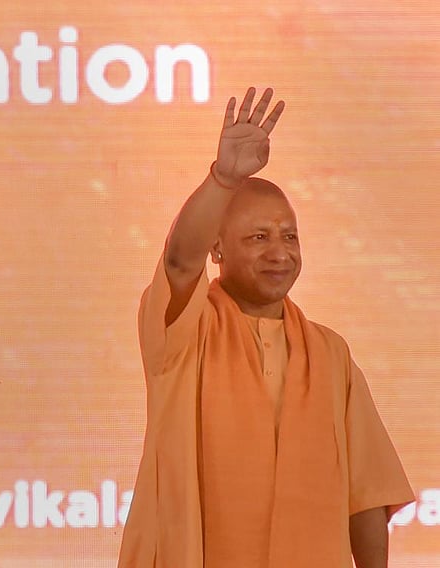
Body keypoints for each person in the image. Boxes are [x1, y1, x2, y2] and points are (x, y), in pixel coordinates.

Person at [118, 87, 414, 568]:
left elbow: (367, 495)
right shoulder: (183, 333)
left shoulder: (329, 351)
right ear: (217, 250)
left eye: (290, 236)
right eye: (258, 237)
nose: (280, 253)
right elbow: (178, 261)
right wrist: (223, 180)